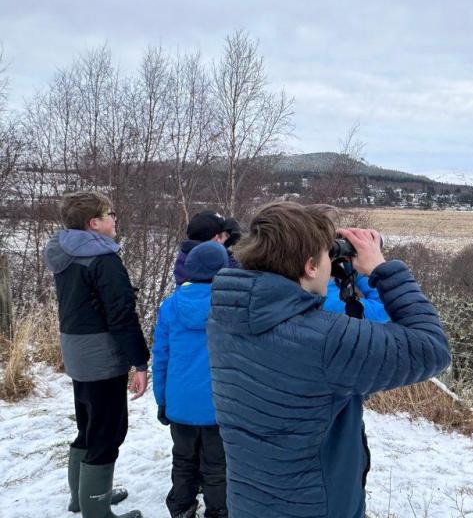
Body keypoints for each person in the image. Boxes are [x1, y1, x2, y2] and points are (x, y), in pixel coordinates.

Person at [206, 201, 451, 518]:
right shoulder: (324, 341)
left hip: (250, 501)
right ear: (310, 266)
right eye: (326, 256)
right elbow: (432, 348)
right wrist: (381, 270)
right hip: (316, 507)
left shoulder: (224, 319)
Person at [44, 190, 149, 518]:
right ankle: (96, 511)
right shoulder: (102, 259)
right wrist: (139, 362)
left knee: (89, 425)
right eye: (110, 214)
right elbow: (121, 314)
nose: (115, 219)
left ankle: (84, 499)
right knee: (108, 431)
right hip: (101, 354)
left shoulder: (66, 253)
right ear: (93, 223)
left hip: (76, 349)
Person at [152, 242, 229, 518]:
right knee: (218, 465)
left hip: (180, 403)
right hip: (219, 406)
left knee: (183, 461)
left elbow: (160, 357)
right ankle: (219, 511)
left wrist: (161, 399)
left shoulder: (171, 306)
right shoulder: (230, 307)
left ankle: (181, 509)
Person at [173, 211, 239, 285]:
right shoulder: (219, 262)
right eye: (225, 236)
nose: (226, 241)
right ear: (216, 238)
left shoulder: (185, 254)